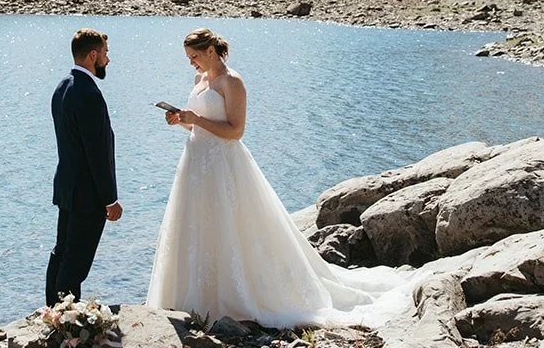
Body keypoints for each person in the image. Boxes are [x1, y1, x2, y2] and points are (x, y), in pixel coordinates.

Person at [146, 28, 406, 327]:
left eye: (194, 57)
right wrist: (181, 121)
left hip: (225, 166)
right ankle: (194, 299)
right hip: (195, 164)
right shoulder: (199, 80)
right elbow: (200, 129)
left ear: (210, 51)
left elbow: (235, 131)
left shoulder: (233, 82)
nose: (191, 63)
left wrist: (197, 119)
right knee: (196, 226)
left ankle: (235, 297)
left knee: (232, 226)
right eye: (188, 58)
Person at [46, 28, 122, 306]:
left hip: (66, 186)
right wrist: (110, 200)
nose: (107, 60)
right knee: (76, 261)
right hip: (86, 194)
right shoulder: (89, 93)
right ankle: (66, 319)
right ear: (93, 55)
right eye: (105, 53)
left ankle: (52, 312)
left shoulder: (62, 86)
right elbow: (97, 153)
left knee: (62, 252)